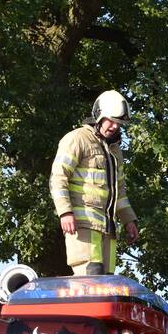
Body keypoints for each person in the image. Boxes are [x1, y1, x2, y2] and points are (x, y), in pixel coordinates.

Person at [50, 90, 139, 275]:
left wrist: (129, 220)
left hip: (109, 230)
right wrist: (65, 212)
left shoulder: (115, 150)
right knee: (90, 281)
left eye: (119, 123)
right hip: (83, 226)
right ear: (99, 115)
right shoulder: (77, 139)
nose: (115, 126)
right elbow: (58, 177)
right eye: (111, 120)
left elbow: (120, 191)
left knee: (106, 284)